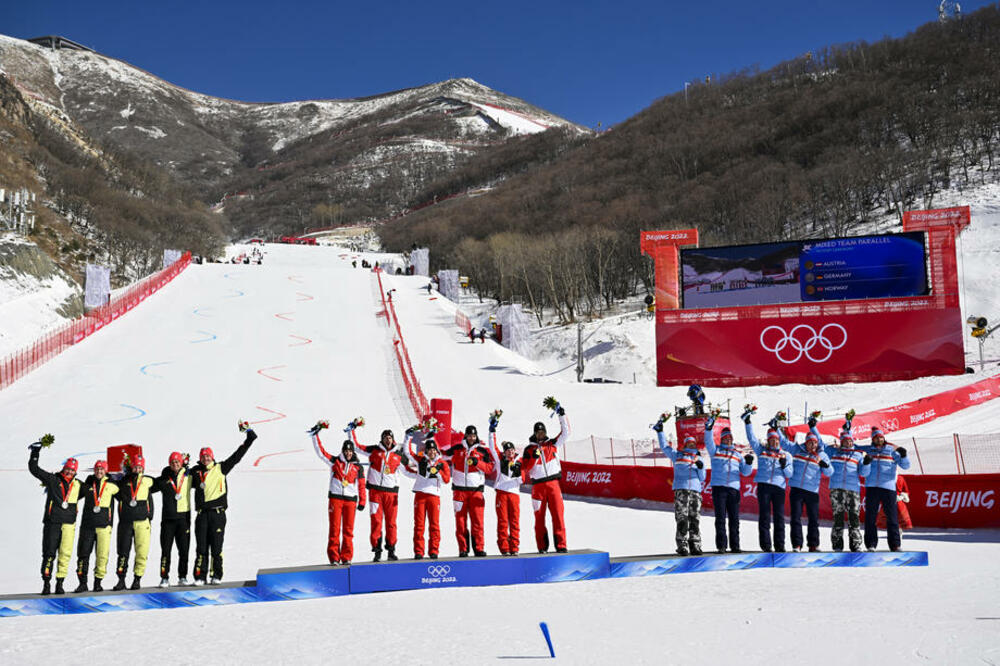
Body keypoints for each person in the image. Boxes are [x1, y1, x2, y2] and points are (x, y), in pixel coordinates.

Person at [189, 424, 258, 584]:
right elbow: (181, 479)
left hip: (218, 514)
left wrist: (249, 438)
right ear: (200, 458)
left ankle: (216, 575)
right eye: (203, 456)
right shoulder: (195, 472)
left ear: (212, 457)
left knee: (216, 547)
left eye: (208, 456)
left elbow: (237, 456)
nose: (206, 459)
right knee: (201, 548)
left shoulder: (221, 468)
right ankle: (200, 576)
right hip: (201, 515)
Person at [28, 440, 83, 595]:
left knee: (65, 555)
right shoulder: (53, 480)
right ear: (63, 469)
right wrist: (35, 453)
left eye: (72, 471)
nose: (69, 473)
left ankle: (60, 583)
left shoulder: (78, 485)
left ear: (75, 472)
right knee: (49, 554)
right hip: (53, 523)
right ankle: (46, 584)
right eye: (67, 470)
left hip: (69, 525)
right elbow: (34, 469)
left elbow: (95, 489)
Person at [310, 423, 367, 564]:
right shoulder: (335, 462)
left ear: (353, 452)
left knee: (348, 531)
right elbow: (321, 452)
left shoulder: (358, 467)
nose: (348, 453)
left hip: (350, 501)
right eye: (346, 451)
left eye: (350, 451)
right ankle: (334, 557)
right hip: (335, 499)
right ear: (343, 451)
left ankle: (346, 557)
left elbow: (361, 485)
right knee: (334, 530)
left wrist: (362, 501)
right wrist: (315, 436)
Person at [522, 400, 570, 553]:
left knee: (558, 515)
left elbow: (566, 432)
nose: (540, 434)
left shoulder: (552, 444)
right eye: (538, 432)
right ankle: (542, 547)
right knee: (539, 518)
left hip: (553, 484)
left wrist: (561, 414)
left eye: (542, 432)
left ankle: (561, 545)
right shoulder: (529, 449)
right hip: (538, 487)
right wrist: (534, 457)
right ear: (534, 434)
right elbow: (526, 469)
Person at [703, 413, 753, 553]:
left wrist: (748, 463)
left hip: (733, 490)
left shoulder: (737, 455)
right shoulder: (715, 450)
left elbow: (746, 472)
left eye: (730, 438)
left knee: (734, 519)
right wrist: (709, 428)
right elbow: (708, 441)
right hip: (719, 489)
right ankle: (721, 546)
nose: (728, 440)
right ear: (722, 439)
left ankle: (735, 545)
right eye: (725, 438)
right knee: (720, 518)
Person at [352, 426, 404, 562]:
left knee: (391, 523)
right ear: (382, 439)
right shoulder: (374, 450)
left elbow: (410, 470)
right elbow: (356, 447)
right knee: (376, 522)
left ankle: (391, 550)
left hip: (391, 494)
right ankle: (377, 551)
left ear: (393, 440)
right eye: (385, 438)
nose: (388, 440)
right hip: (375, 493)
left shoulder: (398, 455)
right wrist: (351, 431)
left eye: (390, 438)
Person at [744, 414, 794, 552]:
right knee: (764, 516)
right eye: (771, 440)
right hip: (764, 487)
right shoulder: (761, 451)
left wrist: (784, 465)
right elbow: (752, 438)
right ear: (768, 440)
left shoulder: (786, 455)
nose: (774, 442)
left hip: (779, 488)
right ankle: (766, 546)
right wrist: (748, 423)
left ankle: (780, 545)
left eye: (776, 440)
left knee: (779, 517)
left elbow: (790, 474)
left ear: (779, 440)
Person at [443, 424, 495, 556]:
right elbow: (441, 456)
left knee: (477, 521)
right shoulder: (457, 448)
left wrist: (477, 463)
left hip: (476, 491)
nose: (472, 438)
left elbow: (489, 468)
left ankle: (479, 548)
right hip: (459, 491)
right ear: (465, 435)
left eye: (474, 435)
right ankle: (463, 549)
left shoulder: (482, 451)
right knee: (460, 522)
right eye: (469, 435)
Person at [779, 428, 833, 552]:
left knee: (813, 519)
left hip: (812, 491)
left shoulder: (822, 455)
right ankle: (797, 544)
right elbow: (784, 442)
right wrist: (777, 429)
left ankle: (813, 544)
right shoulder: (797, 450)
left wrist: (825, 465)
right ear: (806, 442)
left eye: (814, 443)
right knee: (795, 518)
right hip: (797, 490)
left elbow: (830, 472)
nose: (813, 445)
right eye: (810, 442)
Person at [112, 454, 161, 590]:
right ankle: (121, 579)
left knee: (141, 552)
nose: (138, 470)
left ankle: (137, 579)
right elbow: (111, 489)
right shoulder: (122, 482)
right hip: (126, 522)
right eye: (135, 467)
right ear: (131, 467)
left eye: (140, 467)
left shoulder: (148, 481)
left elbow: (163, 482)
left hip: (142, 523)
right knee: (123, 551)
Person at [859, 427, 911, 551]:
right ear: (873, 439)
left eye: (881, 437)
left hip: (888, 488)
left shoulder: (891, 450)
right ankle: (871, 544)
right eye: (876, 437)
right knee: (870, 518)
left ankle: (895, 545)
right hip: (872, 488)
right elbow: (863, 473)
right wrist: (866, 463)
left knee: (892, 517)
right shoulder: (867, 450)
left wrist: (903, 456)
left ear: (884, 438)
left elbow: (906, 466)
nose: (879, 439)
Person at [655, 431, 706, 555]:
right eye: (689, 443)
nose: (691, 445)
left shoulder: (699, 458)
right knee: (682, 518)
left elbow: (702, 477)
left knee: (694, 518)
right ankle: (682, 545)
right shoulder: (677, 455)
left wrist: (700, 467)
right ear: (684, 445)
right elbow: (664, 447)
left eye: (693, 443)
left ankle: (695, 544)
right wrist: (661, 432)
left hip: (695, 491)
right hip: (681, 490)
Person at [73, 459, 120, 592]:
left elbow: (126, 496)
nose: (99, 471)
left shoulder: (112, 485)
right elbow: (72, 493)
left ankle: (98, 582)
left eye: (102, 469)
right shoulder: (87, 485)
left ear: (106, 471)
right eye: (97, 469)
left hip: (104, 526)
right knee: (83, 554)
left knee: (102, 555)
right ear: (94, 470)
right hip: (87, 525)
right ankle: (82, 583)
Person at [822, 426, 869, 552]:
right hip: (836, 490)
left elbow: (863, 473)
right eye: (846, 441)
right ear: (841, 441)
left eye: (850, 441)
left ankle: (856, 545)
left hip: (853, 491)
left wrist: (866, 463)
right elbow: (820, 445)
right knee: (838, 518)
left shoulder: (858, 455)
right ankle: (837, 546)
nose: (848, 443)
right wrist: (813, 428)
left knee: (854, 518)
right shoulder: (833, 452)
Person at [403, 435, 450, 559]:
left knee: (434, 524)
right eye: (429, 450)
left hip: (434, 496)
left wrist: (438, 472)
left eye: (434, 449)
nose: (432, 452)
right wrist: (408, 437)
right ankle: (419, 551)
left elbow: (446, 480)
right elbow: (408, 452)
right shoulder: (420, 460)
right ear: (426, 451)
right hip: (420, 494)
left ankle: (434, 550)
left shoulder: (442, 463)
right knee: (419, 525)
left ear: (437, 451)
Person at [153, 452, 193, 587]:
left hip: (183, 519)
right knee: (166, 550)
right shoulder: (164, 479)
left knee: (184, 550)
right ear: (169, 464)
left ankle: (183, 576)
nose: (175, 464)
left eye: (177, 462)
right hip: (168, 520)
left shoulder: (188, 476)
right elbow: (149, 487)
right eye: (172, 462)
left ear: (181, 463)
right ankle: (164, 577)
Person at [487, 411, 521, 556]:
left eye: (511, 450)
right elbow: (492, 445)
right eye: (507, 451)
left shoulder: (519, 462)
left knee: (514, 522)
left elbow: (524, 476)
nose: (509, 452)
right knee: (503, 521)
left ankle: (514, 547)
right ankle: (504, 548)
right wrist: (492, 429)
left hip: (514, 494)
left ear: (514, 451)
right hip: (501, 493)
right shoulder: (499, 460)